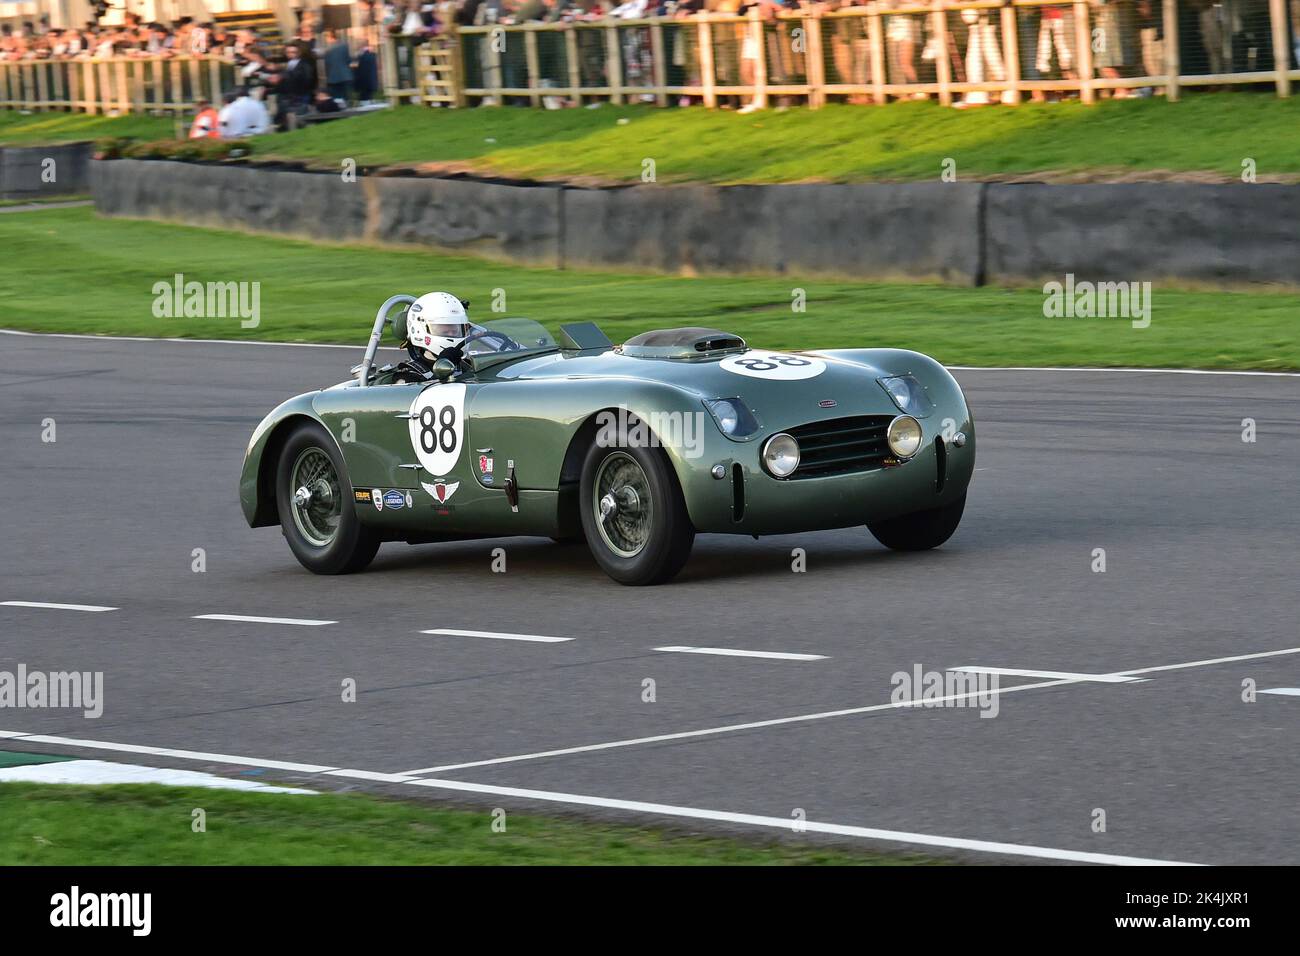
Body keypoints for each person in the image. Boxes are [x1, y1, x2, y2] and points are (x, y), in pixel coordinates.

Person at [323, 29, 352, 102]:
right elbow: (348, 60)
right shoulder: (344, 46)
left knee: (337, 96)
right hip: (345, 75)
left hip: (333, 76)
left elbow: (327, 64)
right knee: (345, 95)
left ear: (330, 37)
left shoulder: (328, 50)